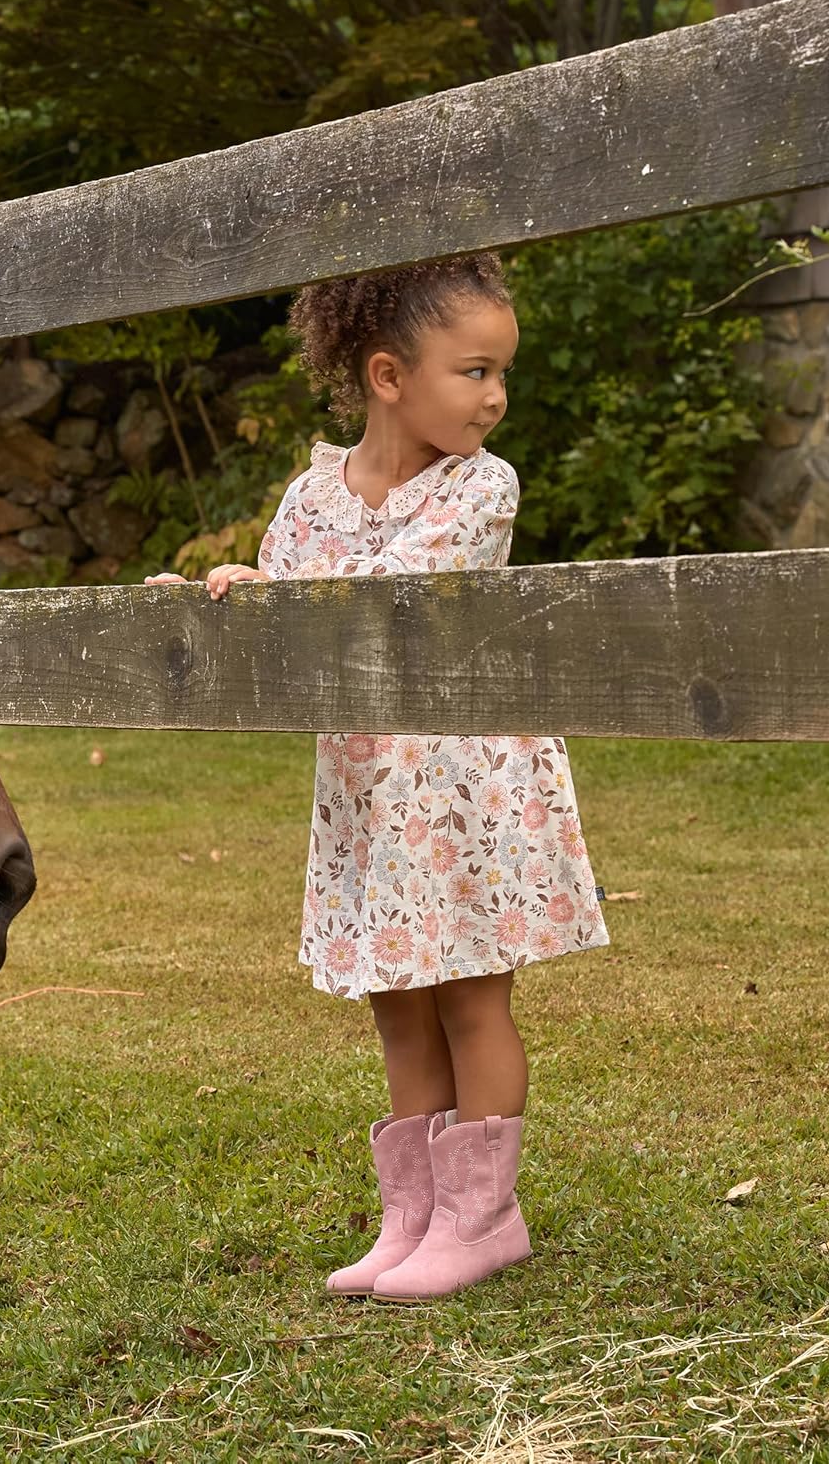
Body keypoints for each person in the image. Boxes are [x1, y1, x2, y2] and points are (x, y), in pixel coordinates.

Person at [144, 254, 609, 1301]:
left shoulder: (481, 486)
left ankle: (483, 1218)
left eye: (502, 375)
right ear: (391, 375)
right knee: (397, 1000)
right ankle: (415, 1218)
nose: (495, 397)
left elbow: (386, 603)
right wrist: (228, 598)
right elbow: (286, 627)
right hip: (367, 790)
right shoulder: (312, 496)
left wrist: (287, 595)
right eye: (475, 371)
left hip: (463, 790)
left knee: (471, 1001)